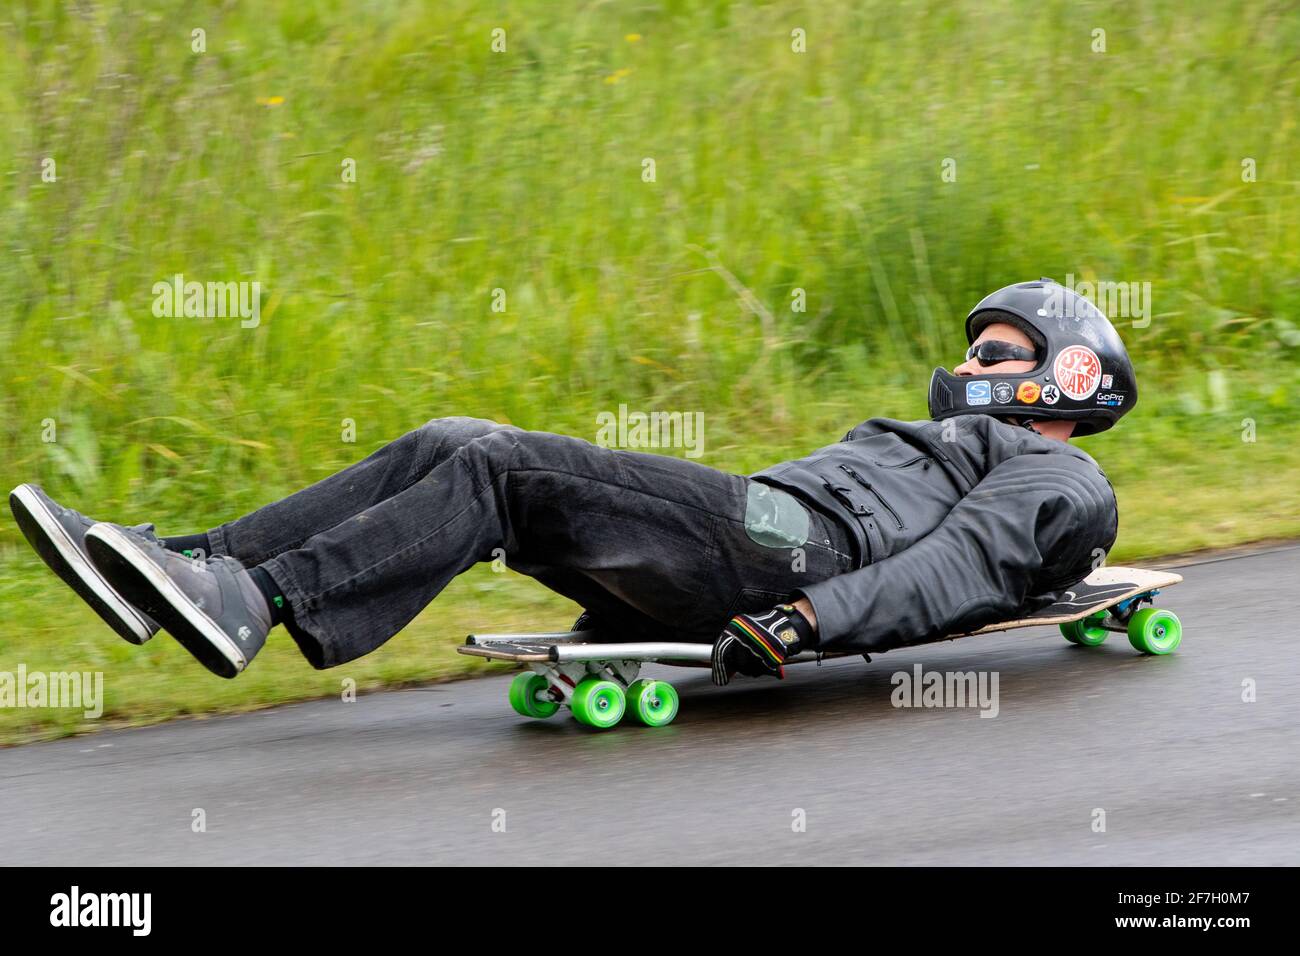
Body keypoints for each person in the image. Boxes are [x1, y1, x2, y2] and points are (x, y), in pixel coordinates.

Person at [9, 279, 1136, 686]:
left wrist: (809, 620)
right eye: (976, 346)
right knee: (459, 433)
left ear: (1069, 377)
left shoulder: (1058, 471)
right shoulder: (976, 440)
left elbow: (960, 567)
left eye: (1001, 351)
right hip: (759, 529)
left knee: (502, 466)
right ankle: (196, 565)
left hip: (801, 549)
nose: (973, 362)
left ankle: (253, 602)